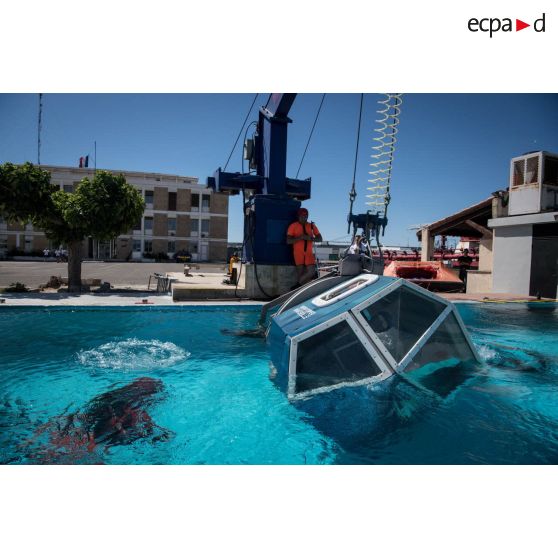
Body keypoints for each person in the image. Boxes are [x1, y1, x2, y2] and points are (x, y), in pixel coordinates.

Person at [286, 207, 322, 286]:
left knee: (311, 272)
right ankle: (302, 291)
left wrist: (311, 238)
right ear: (298, 216)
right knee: (302, 275)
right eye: (302, 216)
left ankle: (297, 286)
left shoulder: (312, 226)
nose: (304, 218)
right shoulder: (293, 226)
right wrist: (301, 237)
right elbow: (288, 241)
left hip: (309, 253)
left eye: (305, 216)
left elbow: (320, 239)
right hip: (298, 253)